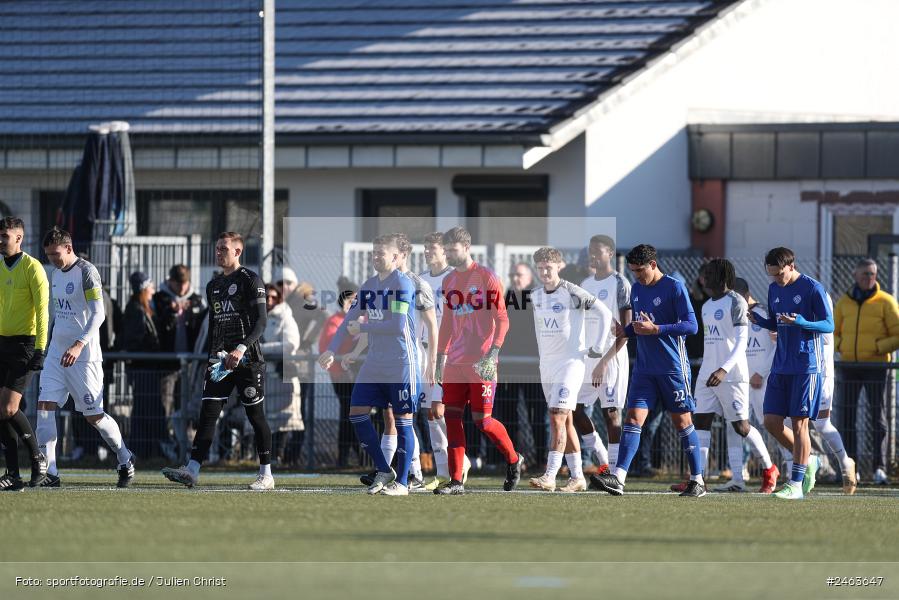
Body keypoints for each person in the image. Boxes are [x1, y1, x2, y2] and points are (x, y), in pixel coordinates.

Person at [162, 232, 273, 491]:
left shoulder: (250, 280)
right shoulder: (213, 286)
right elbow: (214, 324)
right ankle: (192, 470)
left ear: (238, 251)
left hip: (248, 361)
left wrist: (241, 349)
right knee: (208, 415)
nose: (219, 252)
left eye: (224, 248)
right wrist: (214, 357)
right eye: (217, 248)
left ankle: (266, 474)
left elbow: (261, 321)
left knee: (255, 416)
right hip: (221, 362)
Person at [592, 244, 706, 497]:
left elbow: (691, 326)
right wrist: (626, 331)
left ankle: (697, 480)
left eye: (639, 270)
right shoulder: (638, 289)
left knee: (683, 421)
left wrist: (658, 329)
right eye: (632, 271)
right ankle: (619, 478)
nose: (636, 275)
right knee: (633, 419)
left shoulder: (674, 287)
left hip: (673, 369)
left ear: (653, 265)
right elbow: (639, 324)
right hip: (644, 370)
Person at [318, 234, 420, 496]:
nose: (376, 257)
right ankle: (384, 469)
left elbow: (397, 326)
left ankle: (403, 483)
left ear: (396, 257)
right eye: (374, 252)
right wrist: (331, 350)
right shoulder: (369, 285)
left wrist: (363, 326)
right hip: (374, 363)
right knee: (356, 413)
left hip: (400, 363)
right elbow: (348, 319)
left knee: (403, 422)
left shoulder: (402, 284)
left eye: (381, 253)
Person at [36, 227, 134, 487]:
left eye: (55, 254)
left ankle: (124, 457)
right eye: (48, 255)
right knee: (44, 407)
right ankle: (51, 472)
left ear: (68, 248)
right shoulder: (55, 275)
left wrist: (78, 345)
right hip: (57, 355)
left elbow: (98, 314)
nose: (52, 260)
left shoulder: (87, 272)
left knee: (94, 417)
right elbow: (60, 315)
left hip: (84, 357)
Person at [433, 226, 523, 495]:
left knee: (483, 421)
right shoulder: (448, 282)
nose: (448, 254)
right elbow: (447, 323)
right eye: (446, 249)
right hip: (454, 364)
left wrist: (493, 353)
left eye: (452, 249)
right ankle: (456, 481)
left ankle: (514, 460)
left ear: (466, 247)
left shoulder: (486, 277)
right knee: (451, 418)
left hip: (481, 362)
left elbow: (503, 319)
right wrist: (440, 359)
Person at [352, 233, 438, 490]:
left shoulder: (416, 284)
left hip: (409, 356)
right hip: (380, 357)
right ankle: (385, 469)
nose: (380, 257)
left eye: (388, 253)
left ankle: (414, 474)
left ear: (401, 255)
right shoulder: (376, 284)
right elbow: (371, 322)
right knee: (388, 416)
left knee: (409, 417)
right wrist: (357, 351)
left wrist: (433, 362)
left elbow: (432, 327)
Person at [687, 259, 778, 493]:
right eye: (703, 274)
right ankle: (698, 479)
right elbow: (712, 342)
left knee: (740, 426)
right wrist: (710, 368)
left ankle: (770, 469)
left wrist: (723, 369)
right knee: (701, 422)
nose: (704, 279)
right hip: (708, 374)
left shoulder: (736, 301)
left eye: (708, 274)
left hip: (732, 375)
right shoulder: (706, 306)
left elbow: (740, 342)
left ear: (722, 276)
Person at [750, 247, 833, 500]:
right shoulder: (775, 288)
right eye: (772, 275)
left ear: (791, 266)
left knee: (799, 425)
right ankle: (808, 462)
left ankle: (796, 483)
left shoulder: (812, 288)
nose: (776, 279)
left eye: (779, 274)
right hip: (781, 364)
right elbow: (778, 322)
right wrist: (761, 322)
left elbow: (829, 324)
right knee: (771, 422)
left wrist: (803, 323)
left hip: (806, 365)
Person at [528, 247, 613, 493]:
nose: (544, 272)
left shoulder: (572, 292)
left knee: (556, 416)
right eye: (541, 268)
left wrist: (596, 346)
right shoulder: (535, 295)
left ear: (559, 266)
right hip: (547, 366)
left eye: (549, 267)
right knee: (565, 422)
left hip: (571, 364)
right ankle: (577, 477)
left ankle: (550, 475)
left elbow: (604, 313)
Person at [833, 258, 899, 485]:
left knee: (877, 418)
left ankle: (879, 469)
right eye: (864, 274)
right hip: (848, 367)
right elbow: (832, 332)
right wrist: (841, 346)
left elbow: (897, 334)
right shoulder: (843, 303)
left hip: (876, 367)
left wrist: (877, 348)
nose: (868, 278)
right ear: (855, 275)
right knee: (847, 418)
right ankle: (851, 468)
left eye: (872, 274)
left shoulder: (887, 302)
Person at [0, 217, 49, 491]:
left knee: (8, 407)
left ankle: (36, 456)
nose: (0, 240)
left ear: (19, 238)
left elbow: (43, 312)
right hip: (2, 343)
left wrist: (40, 349)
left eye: (4, 236)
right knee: (0, 410)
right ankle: (13, 474)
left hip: (25, 345)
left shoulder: (33, 268)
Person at [578, 234, 631, 477]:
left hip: (612, 359)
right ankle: (602, 458)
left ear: (610, 253)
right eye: (590, 251)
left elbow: (626, 331)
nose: (593, 256)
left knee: (611, 413)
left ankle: (615, 472)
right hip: (589, 358)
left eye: (597, 251)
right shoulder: (586, 284)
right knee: (573, 408)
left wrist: (604, 361)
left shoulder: (620, 284)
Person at [418, 232, 467, 489]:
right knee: (429, 413)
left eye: (432, 248)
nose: (428, 252)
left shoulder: (454, 279)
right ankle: (443, 471)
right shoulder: (421, 280)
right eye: (425, 248)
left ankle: (458, 464)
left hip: (447, 354)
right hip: (425, 352)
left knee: (439, 410)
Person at [153, 264, 207, 460]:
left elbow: (201, 326)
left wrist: (190, 312)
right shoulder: (160, 299)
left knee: (185, 405)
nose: (182, 289)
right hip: (168, 363)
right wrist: (171, 312)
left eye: (185, 284)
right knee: (165, 405)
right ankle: (167, 444)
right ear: (171, 282)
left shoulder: (196, 300)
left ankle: (185, 445)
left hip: (191, 364)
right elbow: (157, 324)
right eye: (179, 284)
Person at [734, 277, 780, 489]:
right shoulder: (737, 314)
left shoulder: (762, 312)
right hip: (742, 380)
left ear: (744, 294)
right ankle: (737, 475)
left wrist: (761, 373)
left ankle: (792, 470)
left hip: (762, 382)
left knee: (771, 425)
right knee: (737, 425)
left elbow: (776, 346)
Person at [496, 261, 542, 470]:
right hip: (508, 367)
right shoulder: (504, 299)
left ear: (530, 277)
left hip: (534, 368)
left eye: (520, 274)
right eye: (512, 274)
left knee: (539, 415)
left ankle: (542, 460)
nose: (515, 278)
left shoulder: (538, 300)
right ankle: (513, 459)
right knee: (508, 414)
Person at [260, 283, 304, 466]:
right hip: (263, 376)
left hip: (281, 375)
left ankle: (280, 456)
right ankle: (266, 457)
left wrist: (261, 350)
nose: (269, 301)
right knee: (264, 419)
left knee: (285, 419)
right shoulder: (255, 316)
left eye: (273, 297)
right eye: (266, 297)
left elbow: (291, 344)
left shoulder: (285, 317)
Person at [122, 271, 164, 458]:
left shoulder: (141, 308)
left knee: (145, 408)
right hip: (143, 368)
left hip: (146, 367)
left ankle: (145, 450)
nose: (153, 291)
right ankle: (140, 450)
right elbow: (135, 340)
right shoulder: (136, 310)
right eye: (151, 287)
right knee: (144, 409)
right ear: (144, 289)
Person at [319, 278, 360, 467]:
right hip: (343, 376)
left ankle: (360, 455)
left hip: (360, 376)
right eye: (350, 300)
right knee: (349, 414)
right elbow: (326, 346)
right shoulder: (335, 321)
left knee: (360, 415)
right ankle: (346, 456)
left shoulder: (362, 319)